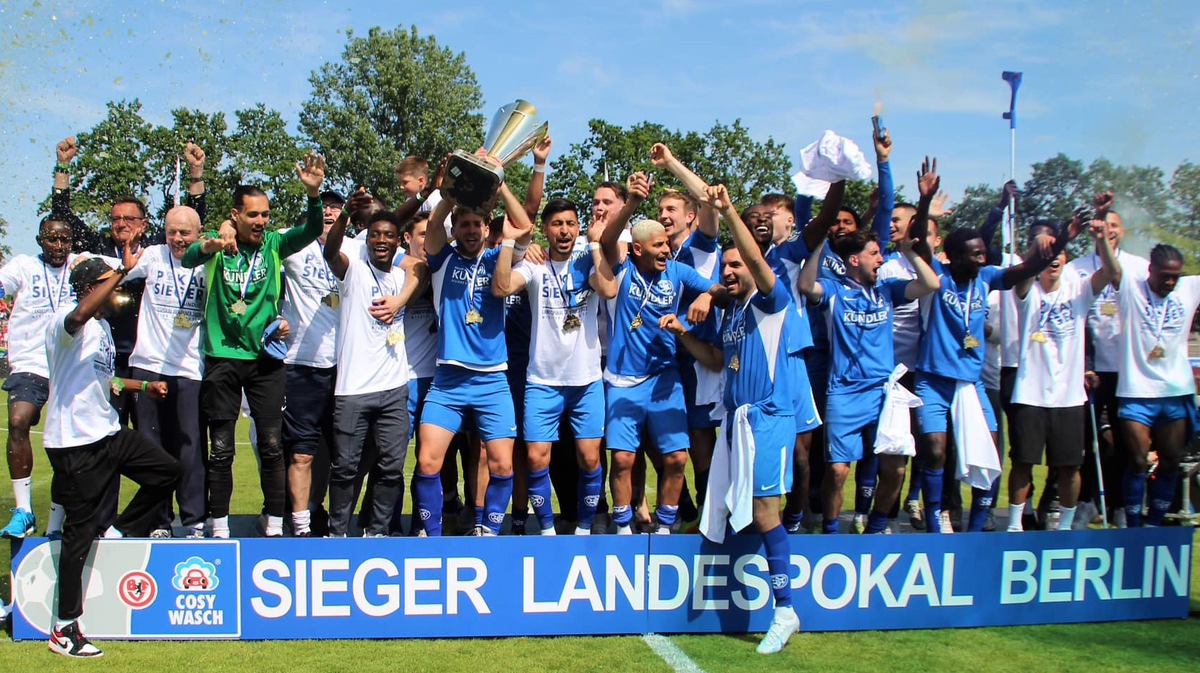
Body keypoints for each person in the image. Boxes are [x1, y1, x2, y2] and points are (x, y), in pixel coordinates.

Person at [911, 162, 1083, 534]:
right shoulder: (937, 276)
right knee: (936, 451)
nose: (982, 258)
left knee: (988, 454)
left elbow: (1028, 268)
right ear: (955, 256)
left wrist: (1064, 239)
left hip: (970, 384)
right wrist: (923, 201)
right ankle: (936, 518)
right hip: (933, 382)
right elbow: (919, 240)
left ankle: (977, 528)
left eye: (982, 253)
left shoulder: (986, 278)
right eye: (974, 254)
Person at [181, 153, 329, 538]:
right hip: (223, 359)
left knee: (271, 445)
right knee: (222, 449)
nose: (261, 221)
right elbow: (188, 257)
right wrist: (214, 243)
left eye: (265, 214)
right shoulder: (218, 247)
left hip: (265, 361)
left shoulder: (275, 245)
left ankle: (275, 523)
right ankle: (218, 525)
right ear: (236, 215)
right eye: (253, 215)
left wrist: (313, 194)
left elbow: (312, 229)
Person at [44, 257, 180, 658]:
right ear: (89, 288)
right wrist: (121, 269)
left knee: (167, 471)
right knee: (78, 534)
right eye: (108, 284)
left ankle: (117, 532)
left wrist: (142, 386)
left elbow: (106, 379)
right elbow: (80, 313)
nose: (117, 293)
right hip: (75, 444)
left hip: (108, 432)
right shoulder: (65, 322)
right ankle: (64, 627)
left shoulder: (102, 328)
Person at [798, 173, 940, 535]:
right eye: (874, 254)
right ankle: (831, 530)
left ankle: (876, 526)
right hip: (844, 392)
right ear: (854, 261)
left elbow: (930, 284)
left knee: (896, 467)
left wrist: (909, 250)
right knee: (838, 470)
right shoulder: (834, 290)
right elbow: (804, 284)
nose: (881, 259)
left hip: (884, 392)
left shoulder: (889, 290)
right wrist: (816, 245)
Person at [697, 184, 804, 653]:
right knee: (736, 513)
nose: (730, 271)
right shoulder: (733, 311)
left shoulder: (770, 301)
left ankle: (785, 610)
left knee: (765, 514)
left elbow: (758, 263)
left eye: (737, 263)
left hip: (768, 421)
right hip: (737, 424)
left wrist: (727, 211)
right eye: (725, 267)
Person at [597, 172, 729, 535]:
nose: (666, 251)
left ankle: (666, 526)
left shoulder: (677, 271)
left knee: (676, 458)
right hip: (623, 380)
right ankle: (623, 527)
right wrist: (634, 202)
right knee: (623, 459)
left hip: (664, 379)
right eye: (658, 246)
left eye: (667, 245)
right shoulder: (622, 269)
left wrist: (705, 296)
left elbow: (720, 289)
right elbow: (609, 237)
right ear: (638, 249)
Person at [52, 136, 208, 428]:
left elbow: (192, 222)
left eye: (128, 218)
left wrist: (196, 174)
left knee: (149, 437)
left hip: (145, 361)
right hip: (106, 357)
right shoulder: (99, 248)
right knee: (109, 431)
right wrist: (63, 168)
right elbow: (63, 219)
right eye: (115, 219)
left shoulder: (156, 249)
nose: (121, 224)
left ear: (144, 224)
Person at [411, 163, 533, 536]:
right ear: (456, 228)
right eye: (463, 224)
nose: (469, 230)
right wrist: (453, 191)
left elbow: (524, 226)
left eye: (476, 224)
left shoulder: (500, 257)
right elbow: (433, 229)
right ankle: (431, 538)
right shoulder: (442, 259)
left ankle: (490, 532)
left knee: (502, 465)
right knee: (427, 461)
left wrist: (500, 183)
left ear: (486, 226)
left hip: (492, 380)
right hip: (448, 379)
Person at [493, 197, 617, 535]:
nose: (564, 230)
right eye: (557, 224)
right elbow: (501, 287)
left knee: (591, 459)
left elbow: (608, 288)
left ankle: (584, 528)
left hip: (586, 381)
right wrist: (508, 241)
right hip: (542, 381)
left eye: (570, 224)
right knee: (535, 459)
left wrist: (593, 244)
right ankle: (547, 531)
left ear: (578, 228)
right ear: (546, 229)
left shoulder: (586, 262)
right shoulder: (535, 265)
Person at [1007, 203, 1119, 531]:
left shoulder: (1079, 289)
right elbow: (1025, 274)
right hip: (1030, 393)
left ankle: (1066, 527)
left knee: (1070, 466)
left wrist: (1101, 241)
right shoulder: (1027, 290)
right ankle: (1015, 526)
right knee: (1024, 462)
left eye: (1058, 254)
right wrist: (1053, 243)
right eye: (1047, 256)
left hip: (1069, 397)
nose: (1053, 260)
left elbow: (1111, 273)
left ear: (1066, 259)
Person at [323, 198, 423, 537]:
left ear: (399, 241)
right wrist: (347, 216)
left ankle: (377, 532)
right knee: (346, 468)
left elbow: (420, 269)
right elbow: (331, 252)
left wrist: (400, 299)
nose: (382, 240)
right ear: (366, 239)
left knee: (392, 468)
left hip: (394, 388)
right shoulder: (353, 271)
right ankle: (337, 533)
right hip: (353, 389)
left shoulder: (400, 275)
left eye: (389, 235)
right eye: (376, 235)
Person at [122, 205, 208, 539]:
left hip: (188, 368)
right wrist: (124, 262)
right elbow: (123, 270)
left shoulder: (207, 260)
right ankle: (158, 520)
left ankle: (194, 520)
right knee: (151, 448)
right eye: (171, 231)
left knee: (190, 447)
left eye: (184, 232)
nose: (177, 238)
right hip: (148, 364)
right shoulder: (154, 255)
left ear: (198, 232)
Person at [0, 217, 84, 539]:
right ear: (39, 240)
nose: (59, 246)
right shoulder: (23, 266)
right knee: (19, 420)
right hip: (31, 362)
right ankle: (23, 510)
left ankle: (55, 523)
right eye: (52, 239)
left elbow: (123, 269)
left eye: (65, 240)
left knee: (67, 443)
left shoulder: (80, 264)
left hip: (70, 363)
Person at [1067, 207, 1151, 527]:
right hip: (1090, 369)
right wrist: (1084, 364)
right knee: (1089, 441)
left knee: (1126, 441)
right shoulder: (1076, 268)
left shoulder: (1139, 268)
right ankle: (1088, 501)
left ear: (1123, 231)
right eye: (1105, 225)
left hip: (1130, 369)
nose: (1110, 230)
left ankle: (1120, 504)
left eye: (1116, 225)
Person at [1115, 243, 1200, 527]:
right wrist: (1101, 238)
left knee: (1171, 460)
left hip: (1175, 394)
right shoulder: (1132, 288)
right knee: (1138, 460)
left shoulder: (1187, 289)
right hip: (1136, 392)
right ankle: (1133, 523)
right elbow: (1111, 267)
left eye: (1175, 276)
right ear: (1150, 270)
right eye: (1165, 275)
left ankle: (1155, 523)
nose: (1170, 282)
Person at [278, 189, 348, 537]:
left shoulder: (354, 249)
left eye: (338, 209)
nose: (331, 214)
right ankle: (301, 526)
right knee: (301, 454)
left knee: (347, 458)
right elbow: (254, 249)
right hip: (300, 366)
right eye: (326, 209)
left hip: (345, 369)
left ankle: (339, 525)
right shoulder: (293, 247)